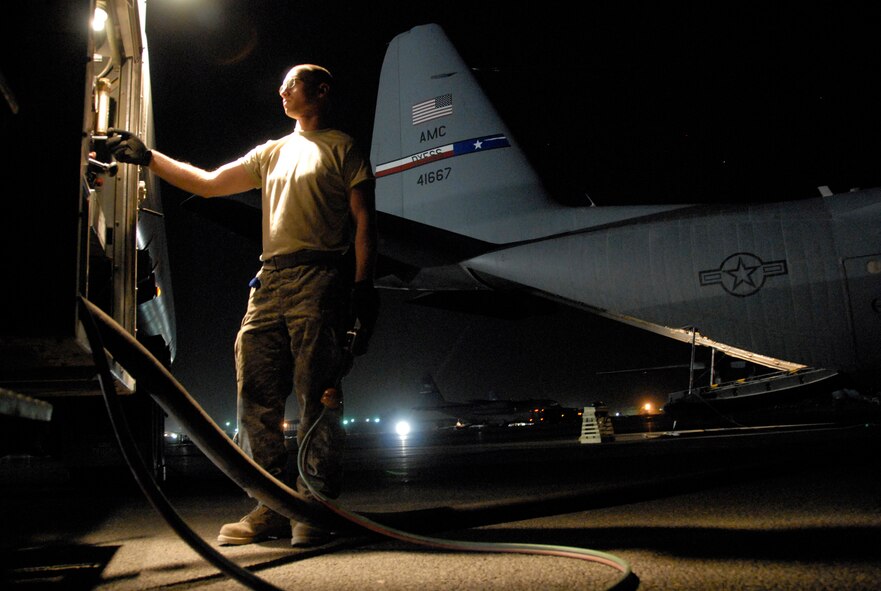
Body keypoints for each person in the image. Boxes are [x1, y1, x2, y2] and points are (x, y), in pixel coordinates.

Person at [108, 64, 379, 547]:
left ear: (320, 90)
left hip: (320, 277)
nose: (282, 90)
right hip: (270, 280)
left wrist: (362, 288)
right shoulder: (271, 153)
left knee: (317, 392)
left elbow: (364, 223)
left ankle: (313, 505)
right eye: (280, 85)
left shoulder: (344, 148)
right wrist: (147, 157)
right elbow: (207, 182)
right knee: (253, 392)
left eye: (291, 83)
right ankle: (272, 505)